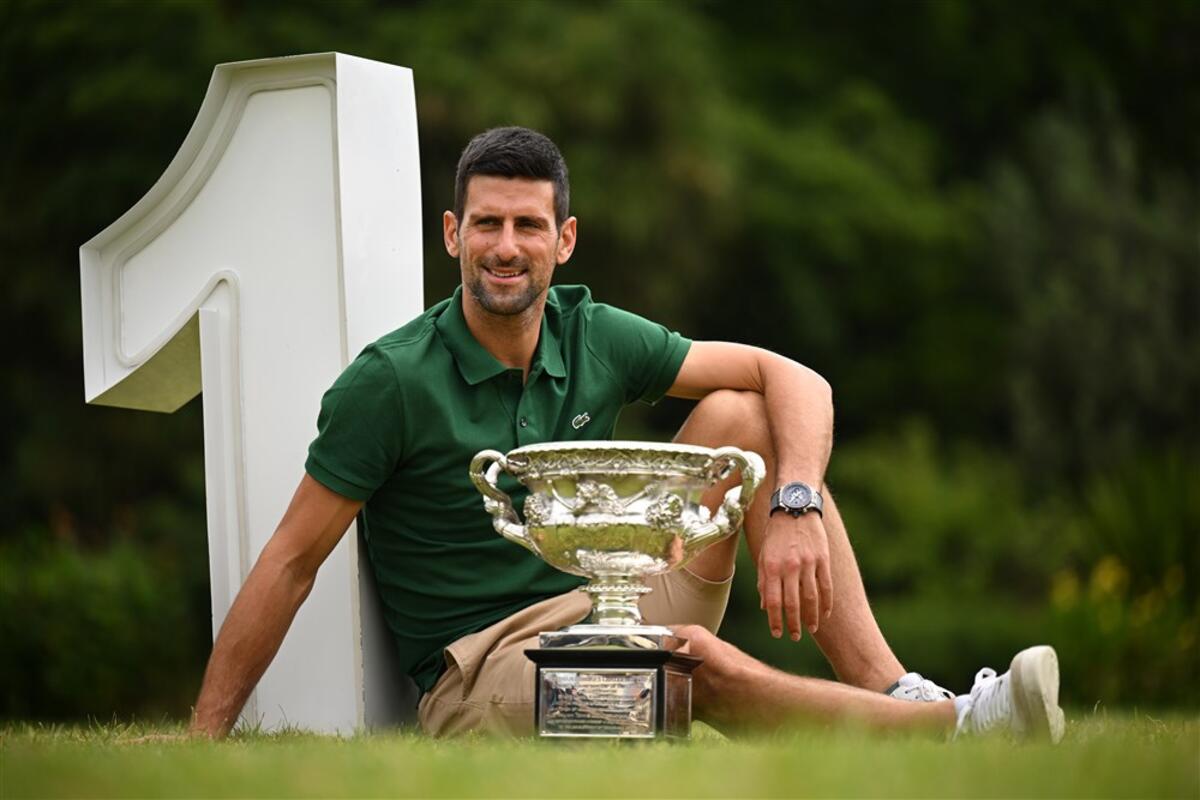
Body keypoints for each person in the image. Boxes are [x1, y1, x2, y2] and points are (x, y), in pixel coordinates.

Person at [187, 127, 1065, 743]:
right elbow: (290, 561)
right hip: (485, 673)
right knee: (684, 667)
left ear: (564, 240)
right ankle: (956, 729)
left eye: (528, 225)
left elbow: (794, 378)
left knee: (743, 418)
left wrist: (795, 501)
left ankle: (896, 687)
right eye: (486, 223)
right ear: (453, 235)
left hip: (613, 595)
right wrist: (203, 737)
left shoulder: (592, 333)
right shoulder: (390, 381)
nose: (505, 246)